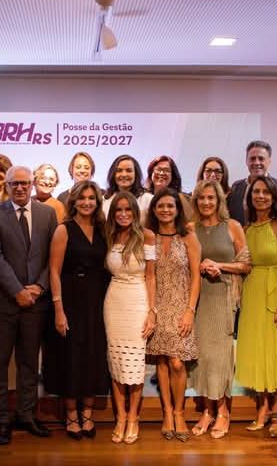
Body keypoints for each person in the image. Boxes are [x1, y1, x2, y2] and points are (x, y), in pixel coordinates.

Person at [0, 166, 57, 445]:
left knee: (29, 362)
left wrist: (39, 287)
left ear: (32, 184)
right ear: (7, 185)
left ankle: (27, 415)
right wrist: (17, 291)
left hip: (36, 303)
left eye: (25, 183)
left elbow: (53, 256)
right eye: (14, 183)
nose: (20, 188)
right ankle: (1, 419)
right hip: (4, 302)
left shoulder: (48, 214)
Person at [44, 180, 110, 440]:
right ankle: (72, 414)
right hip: (70, 298)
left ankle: (88, 413)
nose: (86, 202)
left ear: (97, 201)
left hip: (97, 299)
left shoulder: (103, 229)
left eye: (91, 198)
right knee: (70, 356)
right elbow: (54, 271)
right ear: (73, 201)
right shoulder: (64, 229)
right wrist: (58, 309)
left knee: (93, 355)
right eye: (82, 198)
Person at [188, 180, 250, 439]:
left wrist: (220, 266)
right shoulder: (190, 228)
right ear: (196, 201)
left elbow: (246, 265)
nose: (206, 202)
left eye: (211, 198)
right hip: (198, 299)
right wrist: (201, 266)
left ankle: (223, 411)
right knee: (202, 356)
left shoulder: (232, 226)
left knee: (221, 357)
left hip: (224, 298)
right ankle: (207, 410)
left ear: (219, 201)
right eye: (201, 198)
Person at [146, 188, 201, 442]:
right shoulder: (149, 237)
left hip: (181, 306)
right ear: (154, 210)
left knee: (177, 363)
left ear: (178, 210)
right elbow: (149, 275)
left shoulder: (188, 236)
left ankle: (180, 413)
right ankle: (167, 413)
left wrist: (190, 310)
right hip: (157, 306)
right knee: (162, 362)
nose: (165, 210)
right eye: (161, 206)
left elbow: (196, 277)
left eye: (170, 206)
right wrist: (151, 310)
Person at [236, 176, 277, 437]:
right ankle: (262, 409)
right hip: (253, 294)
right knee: (258, 352)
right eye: (256, 192)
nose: (260, 196)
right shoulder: (247, 229)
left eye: (266, 192)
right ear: (249, 197)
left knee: (274, 353)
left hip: (276, 291)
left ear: (273, 196)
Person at [104, 191, 156, 444]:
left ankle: (134, 417)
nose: (123, 214)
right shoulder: (109, 235)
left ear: (135, 212)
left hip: (138, 301)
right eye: (118, 209)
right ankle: (121, 418)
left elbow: (151, 276)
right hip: (114, 302)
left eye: (128, 209)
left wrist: (152, 312)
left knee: (135, 364)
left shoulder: (147, 236)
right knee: (116, 362)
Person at [227, 140, 277, 225]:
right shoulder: (236, 186)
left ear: (269, 161)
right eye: (252, 158)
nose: (256, 162)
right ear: (246, 161)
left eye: (261, 158)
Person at [103, 154, 153, 225]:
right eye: (119, 170)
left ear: (136, 174)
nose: (124, 174)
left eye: (129, 170)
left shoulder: (148, 199)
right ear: (113, 174)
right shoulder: (104, 200)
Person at [146, 155, 193, 220]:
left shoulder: (181, 199)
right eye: (158, 169)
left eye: (166, 170)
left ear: (173, 175)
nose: (161, 173)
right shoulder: (144, 197)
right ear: (151, 173)